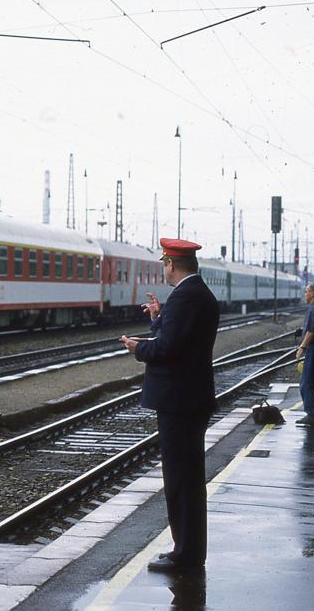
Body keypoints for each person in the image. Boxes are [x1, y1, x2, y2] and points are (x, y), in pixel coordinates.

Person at [120, 238, 219, 574]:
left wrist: (137, 347)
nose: (163, 269)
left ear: (172, 264)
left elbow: (167, 350)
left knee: (181, 479)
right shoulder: (195, 295)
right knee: (186, 478)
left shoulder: (186, 296)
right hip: (189, 398)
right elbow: (179, 339)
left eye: (164, 263)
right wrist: (160, 317)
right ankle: (187, 550)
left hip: (180, 401)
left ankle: (185, 555)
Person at [295, 283, 314, 425]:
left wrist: (302, 347)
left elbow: (311, 331)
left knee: (306, 382)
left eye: (306, 292)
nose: (305, 294)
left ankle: (312, 414)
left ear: (313, 293)